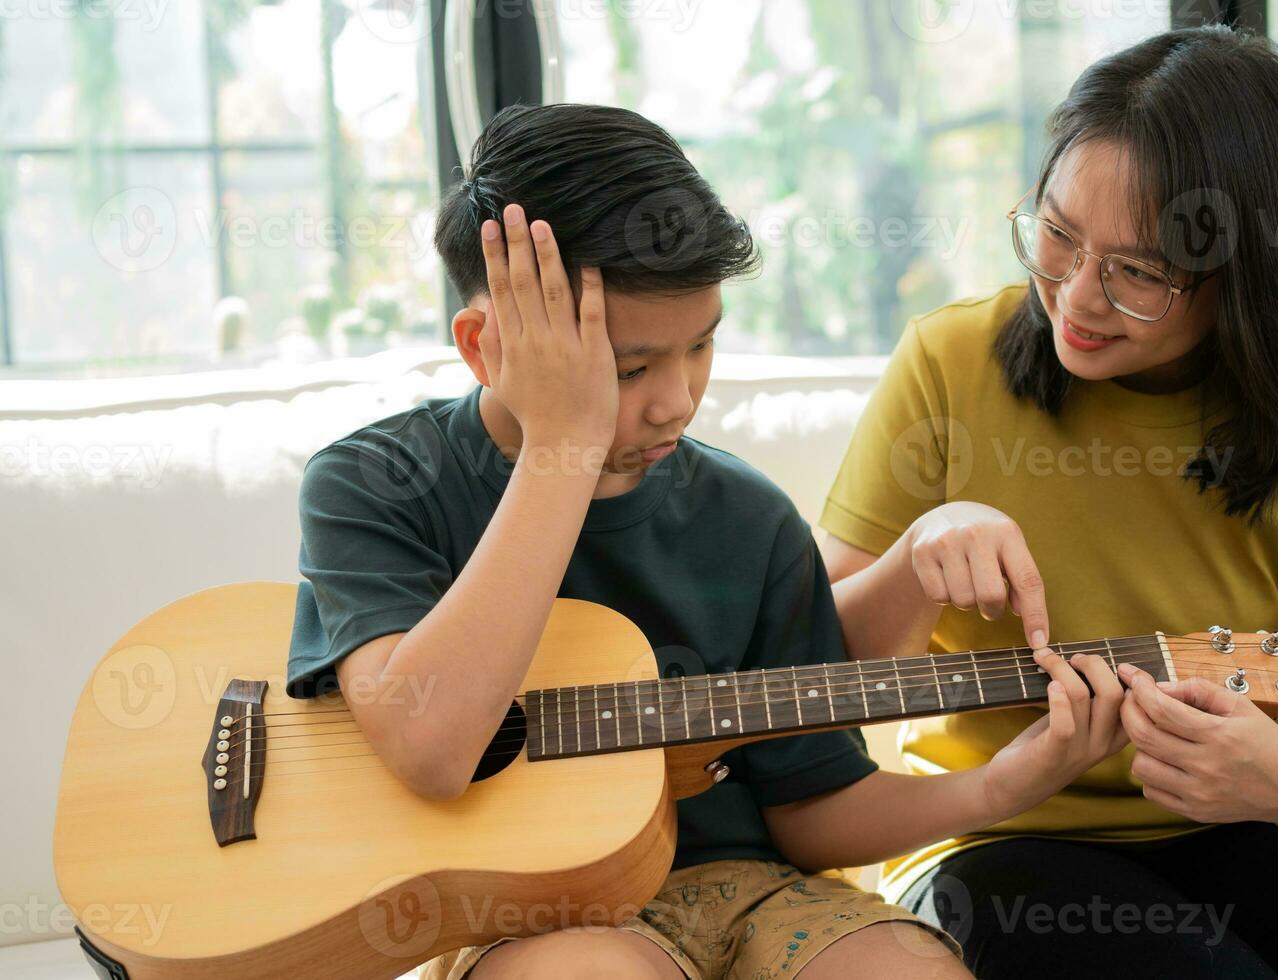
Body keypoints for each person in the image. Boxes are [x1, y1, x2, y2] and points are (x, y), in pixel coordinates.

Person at [285, 103, 1113, 980]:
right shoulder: (375, 483)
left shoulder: (746, 517)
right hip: (523, 913)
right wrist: (562, 447)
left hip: (756, 888)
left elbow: (812, 810)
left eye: (703, 346)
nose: (677, 400)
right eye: (631, 368)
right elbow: (433, 746)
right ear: (486, 349)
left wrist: (1004, 784)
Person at [818, 25, 1278, 978]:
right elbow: (812, 668)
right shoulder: (947, 366)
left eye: (1139, 274)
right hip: (994, 833)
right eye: (1057, 236)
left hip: (1247, 820)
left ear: (1245, 279)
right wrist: (917, 557)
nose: (1077, 299)